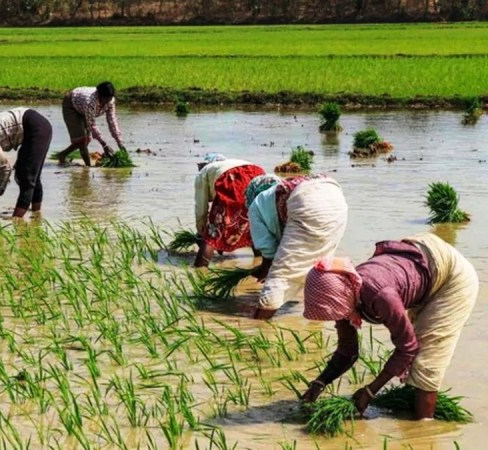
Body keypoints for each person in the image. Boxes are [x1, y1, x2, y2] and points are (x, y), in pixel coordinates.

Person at [300, 233, 478, 419]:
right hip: (422, 256)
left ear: (340, 297)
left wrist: (370, 391)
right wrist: (320, 382)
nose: (337, 317)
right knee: (416, 363)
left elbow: (407, 348)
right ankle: (409, 411)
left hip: (452, 276)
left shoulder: (380, 296)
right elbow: (348, 351)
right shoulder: (344, 293)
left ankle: (424, 432)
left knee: (426, 362)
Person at [245, 174, 348, 320]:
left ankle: (258, 327)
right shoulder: (276, 193)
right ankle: (317, 323)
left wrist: (264, 270)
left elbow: (268, 251)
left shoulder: (255, 206)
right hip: (335, 196)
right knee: (319, 266)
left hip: (306, 199)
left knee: (280, 275)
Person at [194, 153, 265, 267]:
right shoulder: (236, 162)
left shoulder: (205, 171)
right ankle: (261, 264)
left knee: (212, 233)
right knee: (254, 226)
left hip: (231, 179)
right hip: (258, 175)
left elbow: (201, 206)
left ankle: (199, 270)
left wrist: (201, 231)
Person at [54, 81, 124, 167]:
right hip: (71, 106)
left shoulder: (110, 101)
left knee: (86, 140)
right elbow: (92, 125)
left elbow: (112, 121)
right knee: (82, 140)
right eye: (105, 99)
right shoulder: (90, 102)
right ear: (99, 95)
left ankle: (63, 155)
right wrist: (104, 145)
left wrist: (119, 143)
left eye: (109, 99)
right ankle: (88, 168)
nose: (107, 102)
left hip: (82, 107)